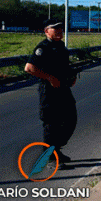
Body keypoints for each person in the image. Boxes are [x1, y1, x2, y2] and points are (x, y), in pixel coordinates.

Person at [24, 19, 78, 169]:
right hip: (49, 91)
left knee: (70, 120)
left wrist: (71, 76)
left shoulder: (60, 46)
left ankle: (56, 151)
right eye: (55, 29)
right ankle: (50, 159)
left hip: (63, 89)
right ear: (46, 31)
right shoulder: (43, 47)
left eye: (61, 28)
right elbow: (29, 68)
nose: (59, 31)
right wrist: (49, 78)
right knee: (51, 124)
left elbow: (63, 66)